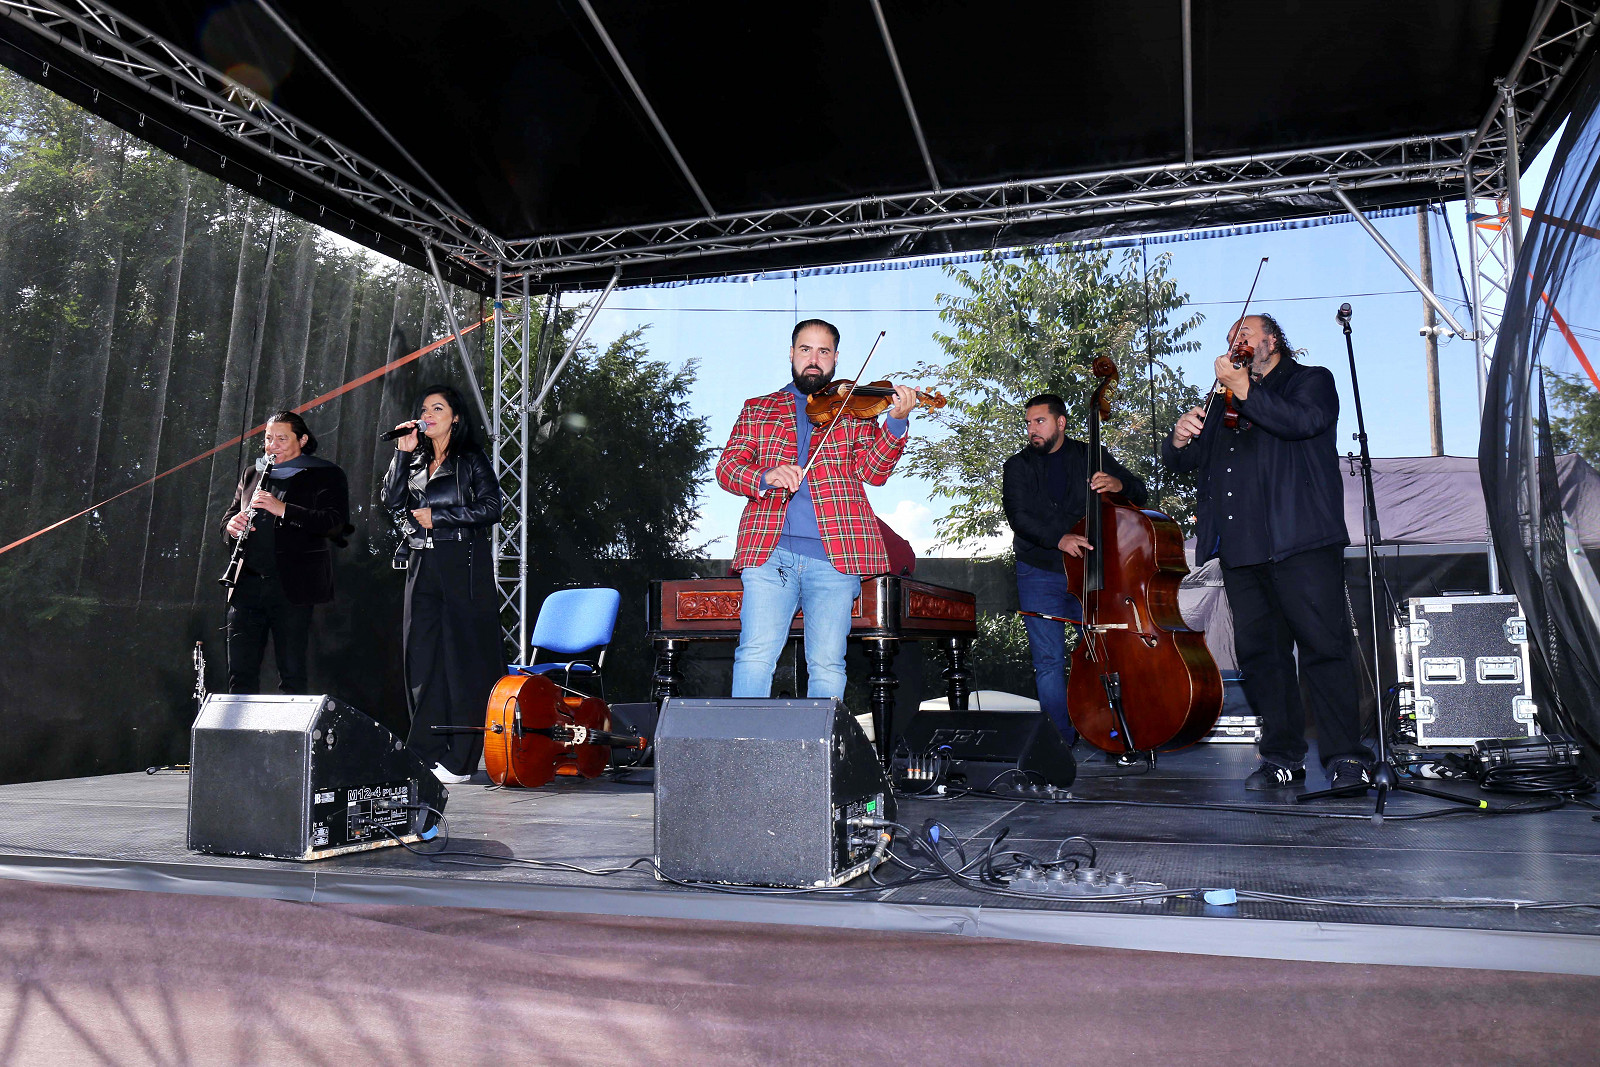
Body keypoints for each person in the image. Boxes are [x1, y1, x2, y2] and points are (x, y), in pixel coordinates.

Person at [1161, 313, 1373, 791]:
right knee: (1263, 657)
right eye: (1230, 336)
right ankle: (1281, 755)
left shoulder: (1310, 380)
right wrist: (1178, 438)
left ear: (1272, 340)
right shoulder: (1222, 401)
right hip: (1243, 550)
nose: (1236, 340)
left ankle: (1345, 757)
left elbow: (1303, 423)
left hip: (1302, 542)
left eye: (1245, 333)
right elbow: (1185, 461)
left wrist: (1247, 391)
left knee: (1323, 649)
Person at [716, 319, 918, 702]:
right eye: (805, 350)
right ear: (791, 354)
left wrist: (895, 422)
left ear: (836, 359)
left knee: (827, 663)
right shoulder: (759, 408)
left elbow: (874, 473)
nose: (814, 359)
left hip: (836, 555)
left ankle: (819, 758)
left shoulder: (856, 411)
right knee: (755, 655)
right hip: (769, 550)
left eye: (823, 351)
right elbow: (727, 468)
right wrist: (766, 474)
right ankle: (743, 752)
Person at [1001, 393, 1146, 745]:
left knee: (1100, 653)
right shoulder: (1017, 465)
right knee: (1048, 661)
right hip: (1039, 569)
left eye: (1040, 421)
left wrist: (1119, 485)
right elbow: (1018, 517)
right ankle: (1061, 740)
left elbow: (1140, 492)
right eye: (1029, 423)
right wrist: (1059, 538)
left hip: (1090, 573)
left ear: (1060, 422)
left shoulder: (1089, 456)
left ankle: (1105, 733)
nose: (1032, 429)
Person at [384, 384, 506, 785]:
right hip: (422, 561)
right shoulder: (415, 459)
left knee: (461, 660)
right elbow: (392, 500)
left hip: (461, 563)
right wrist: (401, 455)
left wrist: (441, 516)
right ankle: (425, 750)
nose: (428, 414)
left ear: (455, 417)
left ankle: (460, 758)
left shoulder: (470, 459)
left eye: (438, 408)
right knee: (421, 657)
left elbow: (492, 507)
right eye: (424, 408)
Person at [221, 411, 350, 694]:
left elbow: (335, 524)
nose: (272, 445)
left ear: (302, 440)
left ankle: (288, 739)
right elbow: (229, 516)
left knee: (292, 674)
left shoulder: (325, 474)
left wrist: (283, 509)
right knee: (239, 675)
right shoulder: (253, 472)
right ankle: (239, 738)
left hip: (293, 586)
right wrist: (231, 526)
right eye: (268, 439)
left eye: (281, 438)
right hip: (247, 584)